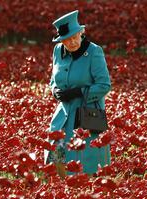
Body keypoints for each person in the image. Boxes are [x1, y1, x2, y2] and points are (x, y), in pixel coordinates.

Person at [44, 10, 111, 177]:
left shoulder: (94, 52)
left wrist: (80, 92)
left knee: (86, 158)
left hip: (87, 114)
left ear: (82, 33)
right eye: (67, 39)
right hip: (64, 113)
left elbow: (104, 85)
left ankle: (86, 191)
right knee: (56, 153)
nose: (72, 42)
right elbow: (53, 79)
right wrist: (55, 91)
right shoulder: (58, 51)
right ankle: (60, 187)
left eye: (75, 37)